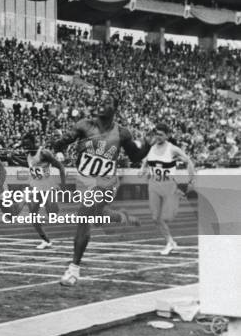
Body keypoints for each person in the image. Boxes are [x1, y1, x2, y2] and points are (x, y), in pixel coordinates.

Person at [52, 92, 151, 286]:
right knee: (97, 217)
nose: (101, 104)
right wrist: (59, 145)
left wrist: (148, 144)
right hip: (85, 181)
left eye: (106, 102)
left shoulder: (122, 133)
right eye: (99, 101)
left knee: (84, 217)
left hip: (106, 182)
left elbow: (136, 157)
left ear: (115, 108)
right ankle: (122, 217)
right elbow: (64, 140)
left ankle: (73, 270)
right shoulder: (84, 125)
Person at [140, 123, 195, 255]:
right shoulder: (152, 147)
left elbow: (189, 161)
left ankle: (170, 243)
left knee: (165, 218)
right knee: (155, 218)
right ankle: (170, 242)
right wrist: (143, 169)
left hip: (168, 185)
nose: (158, 137)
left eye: (161, 134)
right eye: (156, 134)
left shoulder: (173, 149)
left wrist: (191, 180)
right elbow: (146, 160)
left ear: (167, 135)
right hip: (153, 185)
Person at [17, 133, 67, 249]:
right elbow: (29, 165)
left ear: (33, 141)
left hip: (48, 188)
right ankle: (46, 240)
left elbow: (60, 166)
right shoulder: (29, 155)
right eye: (24, 144)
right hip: (35, 188)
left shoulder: (44, 153)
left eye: (27, 144)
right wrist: (13, 159)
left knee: (53, 213)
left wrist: (63, 185)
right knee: (33, 216)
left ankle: (53, 207)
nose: (25, 146)